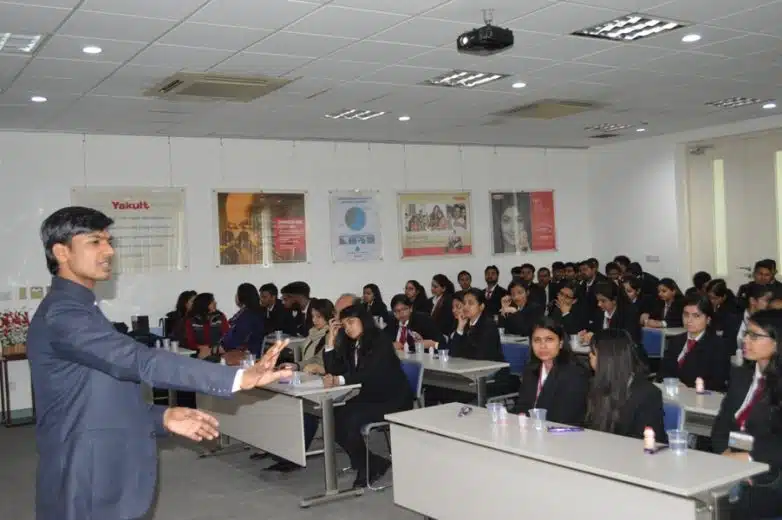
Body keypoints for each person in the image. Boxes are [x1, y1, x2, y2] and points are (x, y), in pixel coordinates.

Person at [27, 206, 293, 520]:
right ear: (61, 252)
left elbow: (95, 397)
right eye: (95, 242)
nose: (109, 251)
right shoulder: (64, 314)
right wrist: (235, 378)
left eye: (109, 241)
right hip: (84, 478)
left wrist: (161, 416)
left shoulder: (80, 309)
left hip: (99, 473)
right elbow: (136, 360)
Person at [710, 309, 782, 519]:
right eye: (746, 334)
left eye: (755, 336)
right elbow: (721, 424)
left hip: (770, 471)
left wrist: (749, 458)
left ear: (777, 343)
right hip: (732, 462)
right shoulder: (741, 376)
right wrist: (725, 454)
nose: (746, 340)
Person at [587, 329, 666, 441]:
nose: (589, 355)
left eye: (593, 352)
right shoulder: (593, 385)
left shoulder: (647, 395)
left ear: (609, 359)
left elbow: (647, 442)